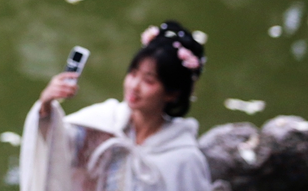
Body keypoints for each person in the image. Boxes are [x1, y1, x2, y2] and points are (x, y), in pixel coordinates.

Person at [19, 21, 213, 191]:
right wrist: (46, 106)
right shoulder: (104, 122)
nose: (134, 86)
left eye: (149, 80)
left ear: (172, 93)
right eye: (133, 73)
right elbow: (56, 145)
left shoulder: (184, 158)